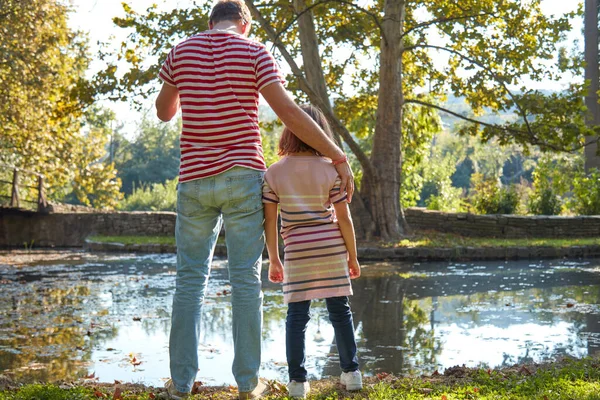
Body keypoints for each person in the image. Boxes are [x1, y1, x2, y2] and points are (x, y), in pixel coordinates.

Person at [154, 1, 354, 399]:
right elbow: (289, 113)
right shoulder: (254, 51)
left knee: (190, 281)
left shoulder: (181, 51)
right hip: (244, 176)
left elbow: (164, 112)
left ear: (211, 22)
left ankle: (180, 386)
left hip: (194, 180)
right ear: (244, 23)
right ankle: (248, 385)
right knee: (245, 278)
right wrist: (337, 155)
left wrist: (191, 91)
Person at [262, 104, 362, 399]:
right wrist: (352, 256)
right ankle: (352, 373)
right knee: (340, 312)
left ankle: (297, 382)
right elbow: (344, 218)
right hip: (331, 248)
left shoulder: (274, 173)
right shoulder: (331, 170)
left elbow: (270, 220)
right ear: (320, 133)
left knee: (297, 316)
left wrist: (274, 259)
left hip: (298, 251)